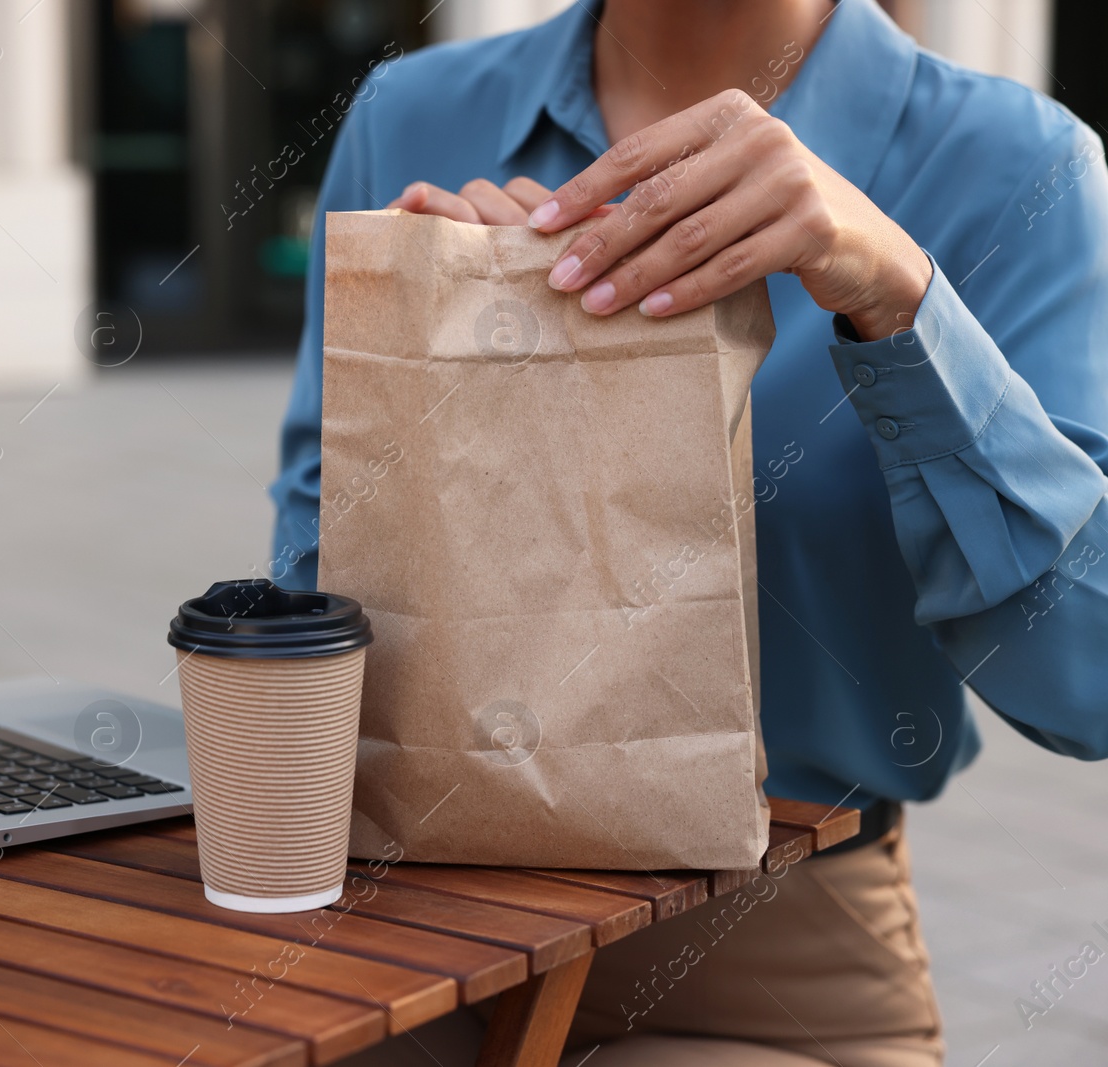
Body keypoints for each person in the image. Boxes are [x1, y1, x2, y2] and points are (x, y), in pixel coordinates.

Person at [269, 0, 1108, 1063]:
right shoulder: (413, 112)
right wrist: (484, 413)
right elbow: (311, 575)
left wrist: (900, 301)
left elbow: (1086, 684)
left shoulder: (1018, 164)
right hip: (411, 918)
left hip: (767, 963)